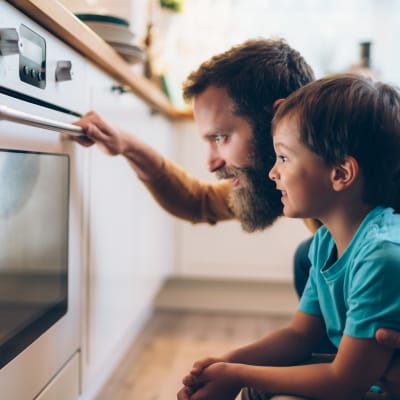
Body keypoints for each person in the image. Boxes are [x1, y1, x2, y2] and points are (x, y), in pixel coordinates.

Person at [69, 38, 400, 356]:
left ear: (276, 118)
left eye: (221, 137)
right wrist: (128, 145)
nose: (211, 162)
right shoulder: (304, 182)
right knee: (311, 256)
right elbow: (197, 202)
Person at [177, 74, 400, 400]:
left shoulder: (381, 257)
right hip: (367, 380)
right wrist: (226, 364)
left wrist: (236, 373)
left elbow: (344, 382)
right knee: (257, 386)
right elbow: (300, 335)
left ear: (340, 174)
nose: (272, 172)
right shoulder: (326, 242)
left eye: (283, 157)